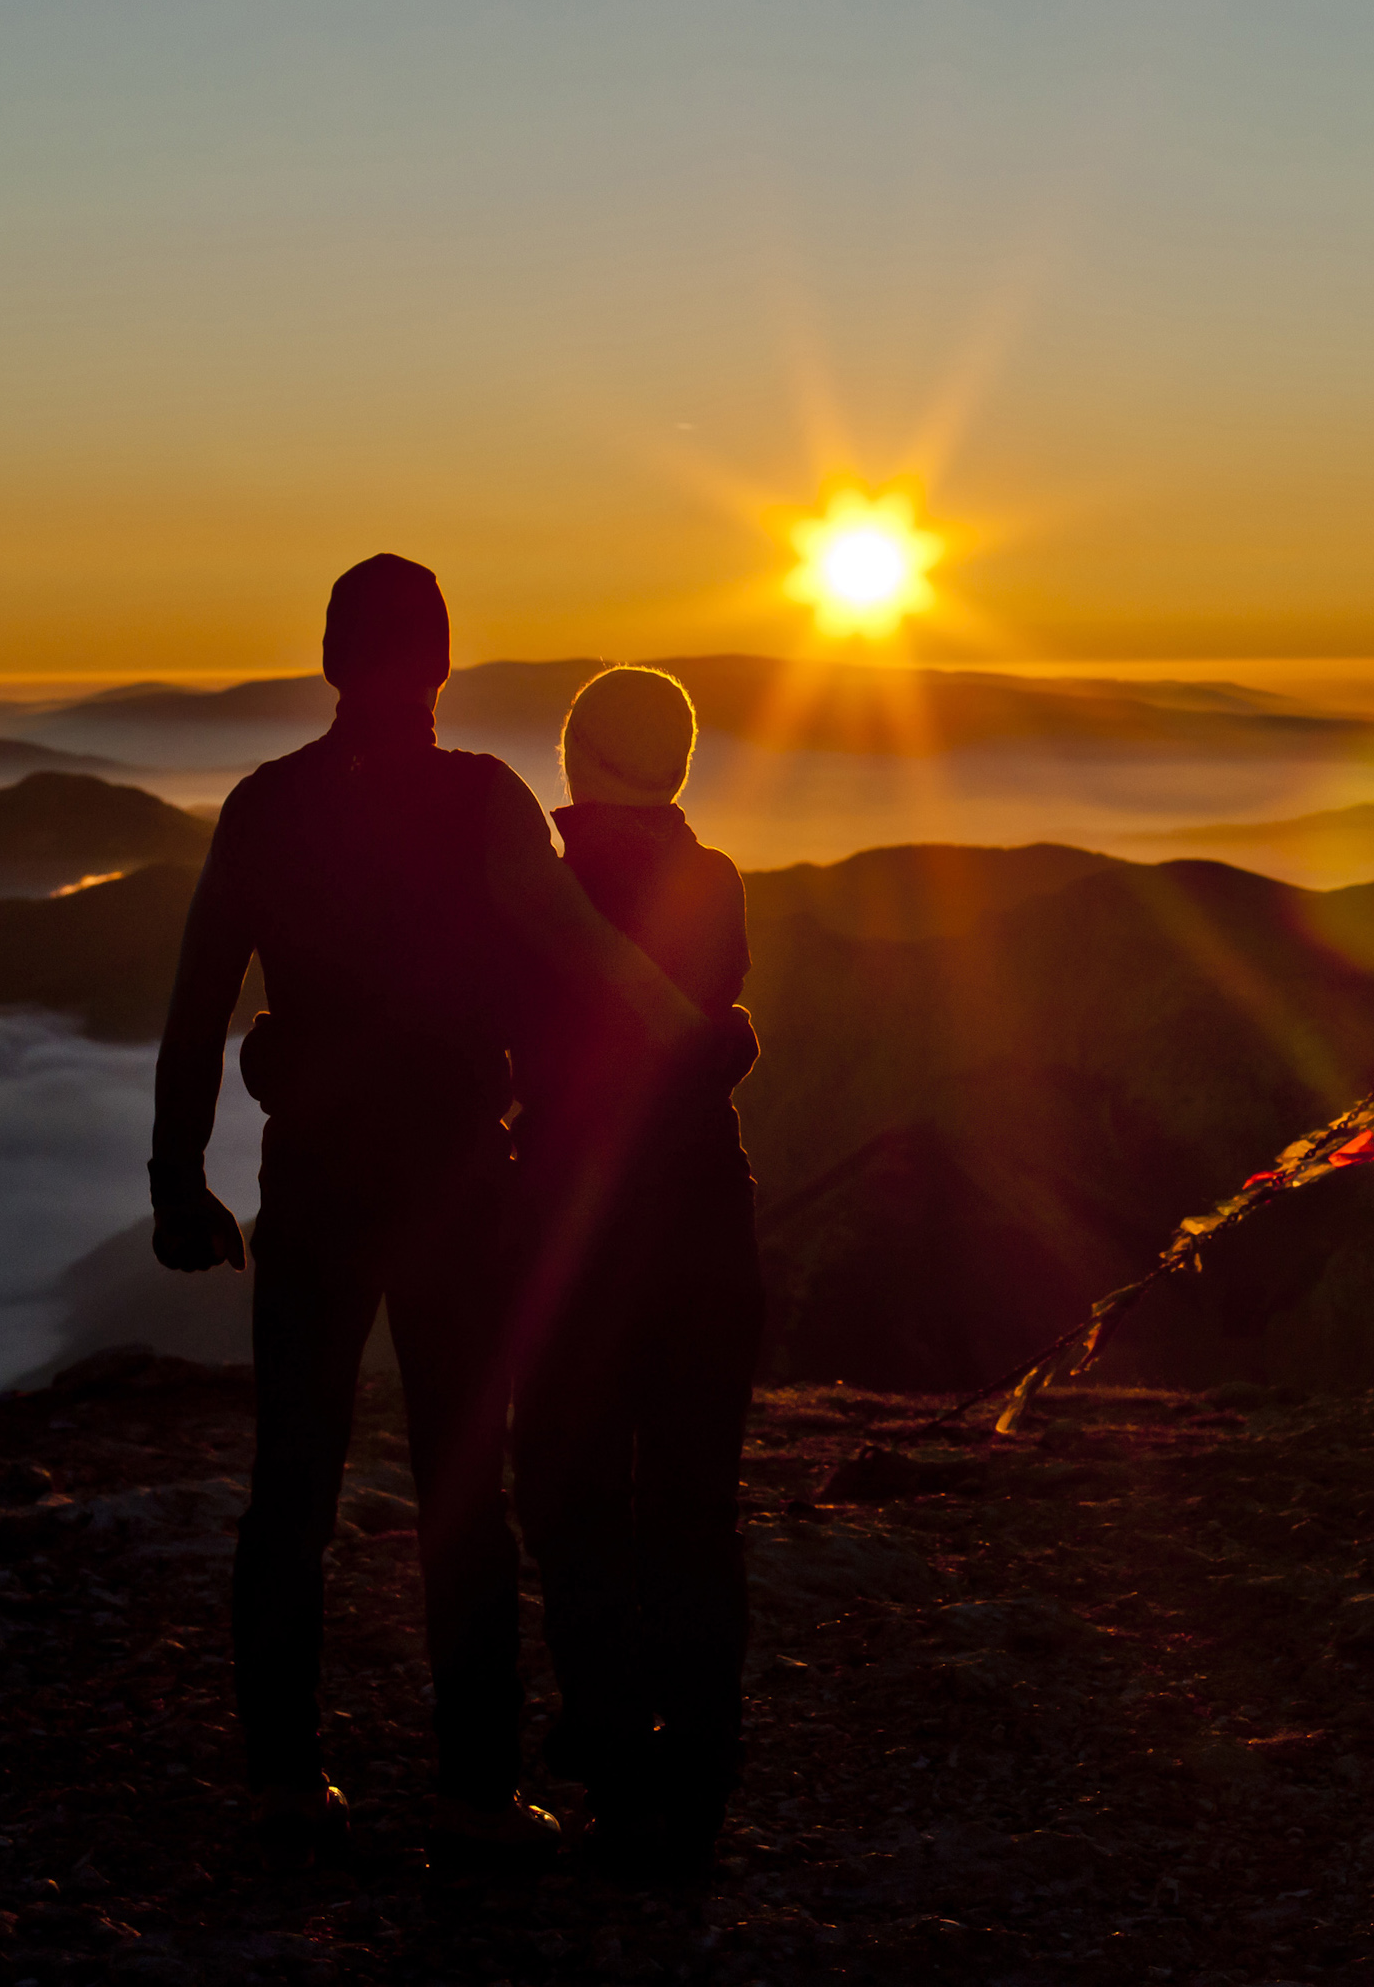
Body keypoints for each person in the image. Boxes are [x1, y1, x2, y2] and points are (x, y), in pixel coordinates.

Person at [145, 556, 718, 1864]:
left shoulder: (266, 804)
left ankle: (282, 1779)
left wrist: (179, 1179)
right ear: (445, 663)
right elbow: (578, 948)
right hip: (457, 1182)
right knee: (463, 1484)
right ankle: (475, 1791)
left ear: (330, 660)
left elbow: (196, 1001)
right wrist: (688, 1033)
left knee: (292, 1482)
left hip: (314, 1179)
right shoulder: (484, 799)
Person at [505, 665, 766, 1886]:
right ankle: (698, 1772)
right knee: (692, 1507)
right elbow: (706, 1029)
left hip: (579, 1227)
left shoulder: (545, 892)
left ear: (577, 757)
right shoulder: (715, 883)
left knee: (573, 1497)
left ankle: (616, 1766)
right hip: (707, 1218)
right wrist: (726, 1042)